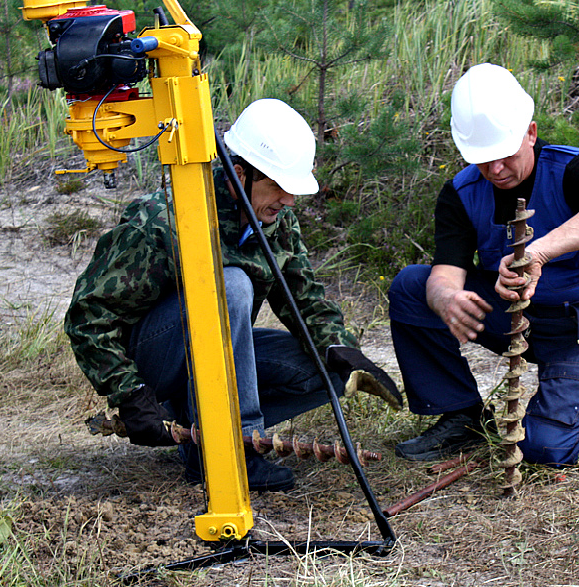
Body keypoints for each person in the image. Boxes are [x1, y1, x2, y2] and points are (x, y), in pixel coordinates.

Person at [65, 98, 402, 492]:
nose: (288, 200)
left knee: (326, 367)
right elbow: (87, 317)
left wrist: (344, 351)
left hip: (214, 359)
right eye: (277, 186)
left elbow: (304, 297)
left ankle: (200, 438)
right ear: (238, 174)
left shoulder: (276, 220)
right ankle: (235, 452)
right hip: (155, 366)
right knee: (231, 285)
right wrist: (132, 393)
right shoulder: (164, 221)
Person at [388, 64, 579, 466]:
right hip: (516, 316)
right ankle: (462, 416)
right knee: (411, 286)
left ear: (530, 133)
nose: (494, 170)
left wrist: (539, 253)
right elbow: (444, 274)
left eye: (503, 156)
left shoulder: (575, 169)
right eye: (482, 160)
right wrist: (447, 299)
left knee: (544, 447)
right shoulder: (461, 192)